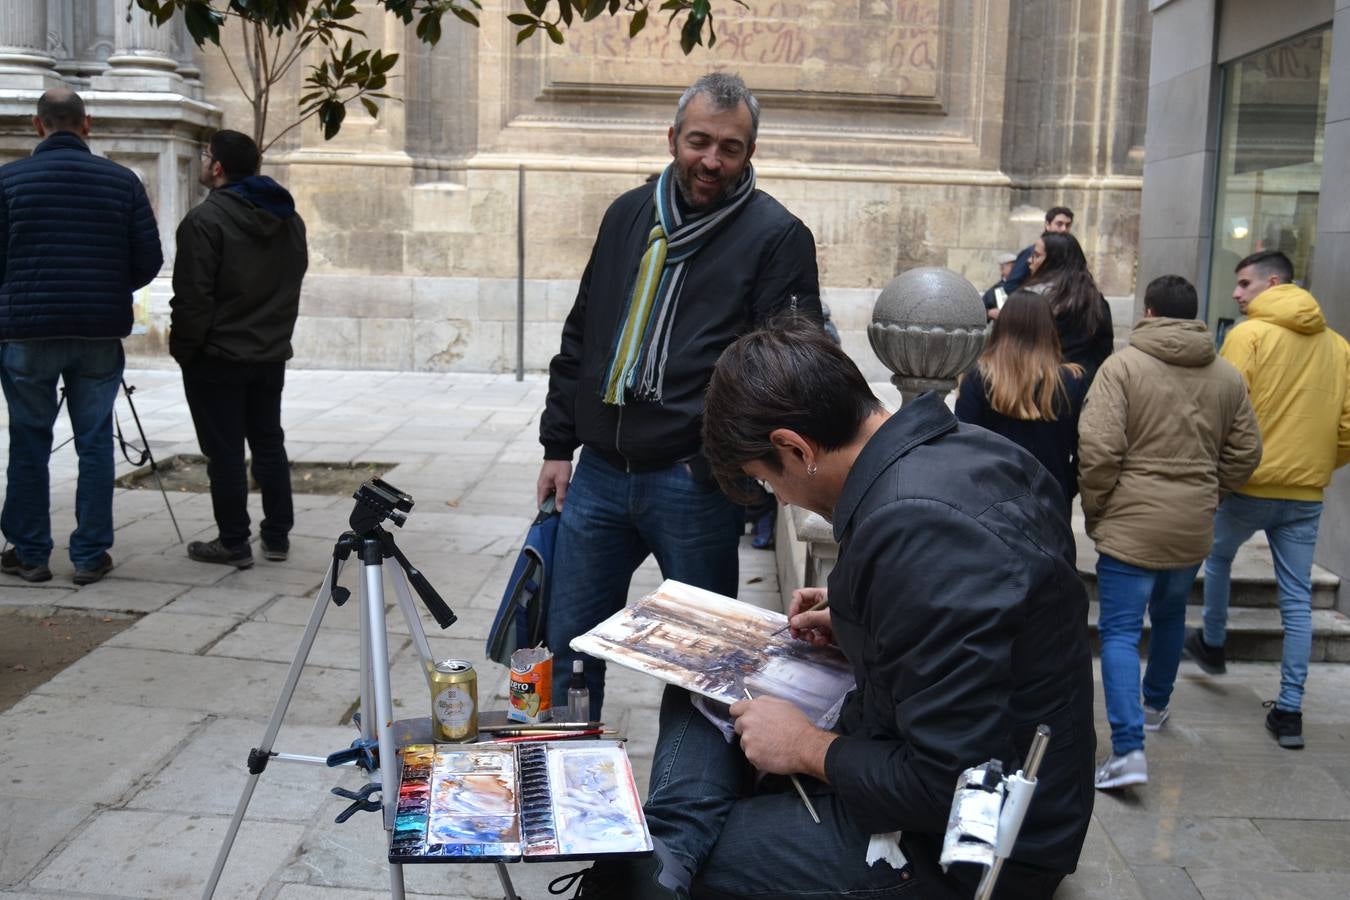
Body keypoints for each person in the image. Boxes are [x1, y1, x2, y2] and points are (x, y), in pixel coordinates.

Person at [554, 324, 1095, 899]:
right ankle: (673, 845)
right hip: (931, 754)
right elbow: (986, 621)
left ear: (796, 449)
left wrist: (807, 748)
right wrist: (863, 620)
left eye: (769, 481)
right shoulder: (972, 450)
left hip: (968, 847)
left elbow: (949, 785)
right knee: (699, 689)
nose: (781, 499)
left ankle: (664, 858)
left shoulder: (918, 529)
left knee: (630, 876)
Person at [537, 73, 822, 718]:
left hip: (694, 484)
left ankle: (685, 805)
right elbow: (584, 331)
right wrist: (558, 444)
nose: (711, 161)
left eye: (731, 148)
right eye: (699, 142)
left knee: (701, 663)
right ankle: (563, 778)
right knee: (568, 648)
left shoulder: (777, 236)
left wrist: (737, 468)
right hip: (600, 477)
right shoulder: (627, 215)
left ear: (750, 153)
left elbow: (785, 366)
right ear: (672, 138)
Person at [1078, 275, 1261, 789]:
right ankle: (1155, 705)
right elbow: (1246, 452)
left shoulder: (1123, 367)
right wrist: (1211, 492)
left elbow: (1098, 451)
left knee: (1118, 631)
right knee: (1171, 613)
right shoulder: (1226, 375)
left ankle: (1129, 751)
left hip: (1131, 524)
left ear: (1150, 313)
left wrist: (1099, 508)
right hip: (1192, 524)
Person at [1184, 250, 1350, 750]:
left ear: (1272, 282)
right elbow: (1346, 426)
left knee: (1217, 556)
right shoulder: (1338, 346)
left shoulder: (1248, 335)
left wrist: (1219, 470)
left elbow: (1221, 409)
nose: (1236, 293)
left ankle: (1213, 642)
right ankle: (1291, 711)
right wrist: (1316, 466)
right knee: (1297, 601)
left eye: (1243, 283)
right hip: (1305, 492)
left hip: (1247, 484)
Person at [0, 88, 162, 586]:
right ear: (86, 125)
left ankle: (30, 552)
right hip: (97, 331)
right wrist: (106, 290)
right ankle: (90, 554)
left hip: (27, 331)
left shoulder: (8, 180)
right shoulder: (122, 182)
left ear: (37, 125)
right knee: (94, 442)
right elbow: (149, 259)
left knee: (29, 440)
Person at [170, 129, 307, 568]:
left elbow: (193, 297)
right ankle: (277, 535)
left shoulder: (204, 221)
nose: (205, 161)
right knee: (268, 441)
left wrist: (186, 350)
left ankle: (233, 541)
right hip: (268, 353)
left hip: (218, 357)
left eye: (207, 155)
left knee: (225, 451)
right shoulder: (289, 218)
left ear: (218, 167)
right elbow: (292, 280)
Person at [956, 289, 1089, 515]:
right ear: (1049, 329)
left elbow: (961, 446)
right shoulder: (1071, 381)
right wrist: (1065, 488)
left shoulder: (979, 379)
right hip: (1050, 503)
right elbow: (1084, 451)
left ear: (1003, 327)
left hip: (991, 504)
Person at [1023, 231, 1115, 381]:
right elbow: (1103, 350)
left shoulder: (1032, 301)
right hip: (1084, 385)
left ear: (1054, 261)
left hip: (1040, 386)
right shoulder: (1096, 300)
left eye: (1037, 255)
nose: (1029, 260)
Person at [1002, 205, 1073, 294]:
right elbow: (1011, 285)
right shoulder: (1032, 252)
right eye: (1059, 224)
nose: (1063, 229)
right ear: (1047, 225)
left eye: (1068, 225)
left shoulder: (1070, 253)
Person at [981, 250, 1019, 319]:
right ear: (1002, 269)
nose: (1016, 269)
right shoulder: (997, 289)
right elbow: (980, 310)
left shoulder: (1022, 284)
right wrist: (989, 312)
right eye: (1012, 266)